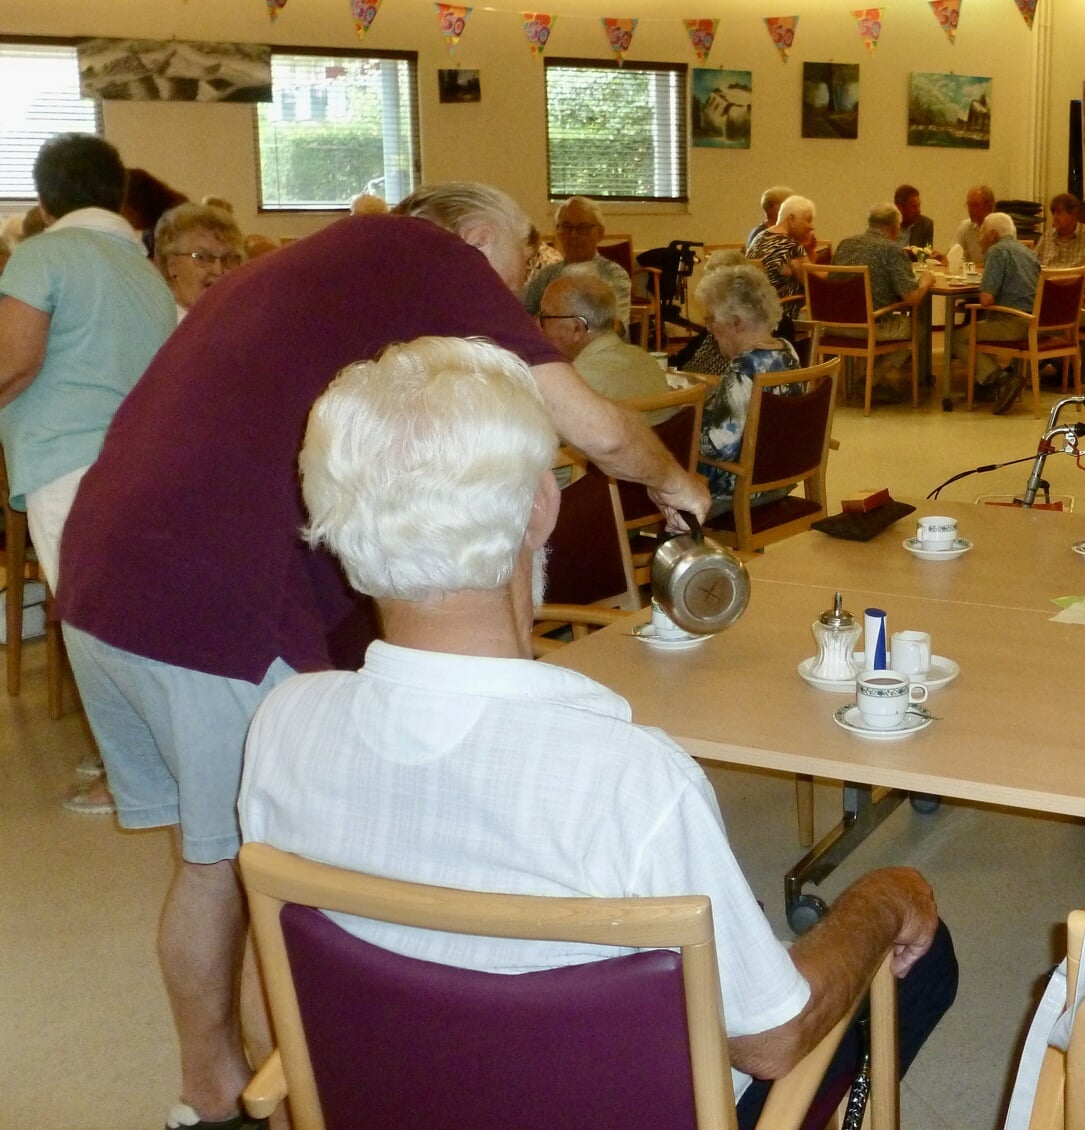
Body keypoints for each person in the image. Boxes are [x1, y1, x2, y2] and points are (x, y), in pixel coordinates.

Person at [56, 181, 708, 1130]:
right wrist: (679, 484)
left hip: (102, 578)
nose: (514, 305)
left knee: (207, 862)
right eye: (519, 271)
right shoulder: (427, 257)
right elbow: (599, 428)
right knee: (273, 873)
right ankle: (307, 1095)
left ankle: (212, 1091)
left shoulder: (326, 267)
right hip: (204, 601)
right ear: (482, 237)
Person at [239, 335, 957, 1127]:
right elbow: (773, 1041)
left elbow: (264, 1002)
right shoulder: (631, 780)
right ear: (541, 507)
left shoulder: (282, 724)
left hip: (398, 1099)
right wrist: (890, 895)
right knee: (920, 947)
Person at [0, 134, 175, 818]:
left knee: (94, 623)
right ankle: (138, 755)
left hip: (67, 458)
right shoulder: (142, 265)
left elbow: (14, 362)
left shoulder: (44, 252)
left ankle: (129, 774)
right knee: (130, 614)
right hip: (140, 458)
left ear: (45, 201)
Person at [695, 253, 805, 507]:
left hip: (736, 489)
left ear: (737, 322)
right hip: (778, 478)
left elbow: (717, 447)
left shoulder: (743, 370)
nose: (709, 328)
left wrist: (684, 419)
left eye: (711, 318)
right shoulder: (786, 351)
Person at [830, 202, 934, 406]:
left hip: (835, 323)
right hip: (869, 326)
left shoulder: (845, 244)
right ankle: (871, 380)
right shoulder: (892, 250)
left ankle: (871, 378)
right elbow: (911, 298)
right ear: (895, 227)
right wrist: (926, 282)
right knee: (917, 327)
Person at [536, 265, 673, 419]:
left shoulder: (575, 384)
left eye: (543, 318)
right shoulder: (649, 363)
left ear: (577, 329)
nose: (537, 327)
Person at [967, 212, 1042, 416]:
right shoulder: (1028, 252)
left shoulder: (997, 251)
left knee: (959, 337)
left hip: (1014, 323)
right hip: (1038, 322)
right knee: (983, 325)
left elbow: (986, 299)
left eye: (981, 233)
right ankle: (987, 384)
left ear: (992, 234)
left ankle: (1002, 378)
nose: (979, 238)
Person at [522, 196, 632, 331]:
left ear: (600, 233)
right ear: (558, 232)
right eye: (567, 227)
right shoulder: (546, 275)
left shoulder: (613, 275)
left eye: (583, 227)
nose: (574, 235)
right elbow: (521, 312)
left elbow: (615, 327)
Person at [153, 203, 245, 320]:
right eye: (203, 257)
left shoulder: (237, 320)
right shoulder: (163, 328)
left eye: (230, 258)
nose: (218, 270)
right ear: (172, 265)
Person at [746, 194, 823, 302]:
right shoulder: (791, 246)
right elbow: (814, 282)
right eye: (808, 220)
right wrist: (840, 274)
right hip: (789, 309)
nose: (812, 226)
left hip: (763, 309)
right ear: (791, 219)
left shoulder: (759, 237)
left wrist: (809, 251)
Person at [954, 184, 994, 266]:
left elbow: (997, 265)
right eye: (969, 205)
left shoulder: (1000, 228)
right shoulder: (966, 226)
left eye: (975, 205)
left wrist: (969, 266)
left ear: (989, 206)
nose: (970, 210)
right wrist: (945, 258)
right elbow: (954, 254)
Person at [892, 183, 933, 249]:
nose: (919, 210)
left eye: (919, 206)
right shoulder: (886, 224)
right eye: (914, 207)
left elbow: (927, 254)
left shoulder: (926, 225)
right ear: (900, 208)